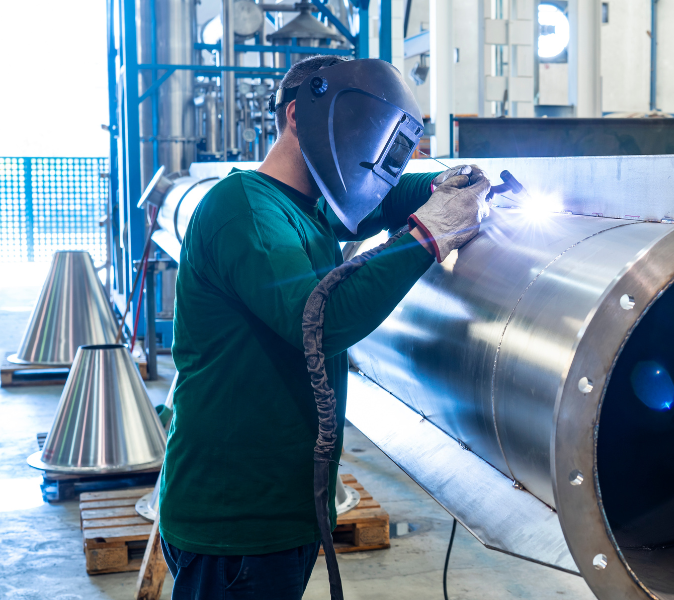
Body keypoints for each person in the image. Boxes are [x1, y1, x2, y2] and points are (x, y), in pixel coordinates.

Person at [157, 55, 488, 599]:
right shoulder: (244, 210)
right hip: (235, 525)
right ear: (296, 115)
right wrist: (428, 238)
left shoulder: (305, 209)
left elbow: (379, 202)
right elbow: (320, 322)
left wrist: (442, 186)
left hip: (279, 514)